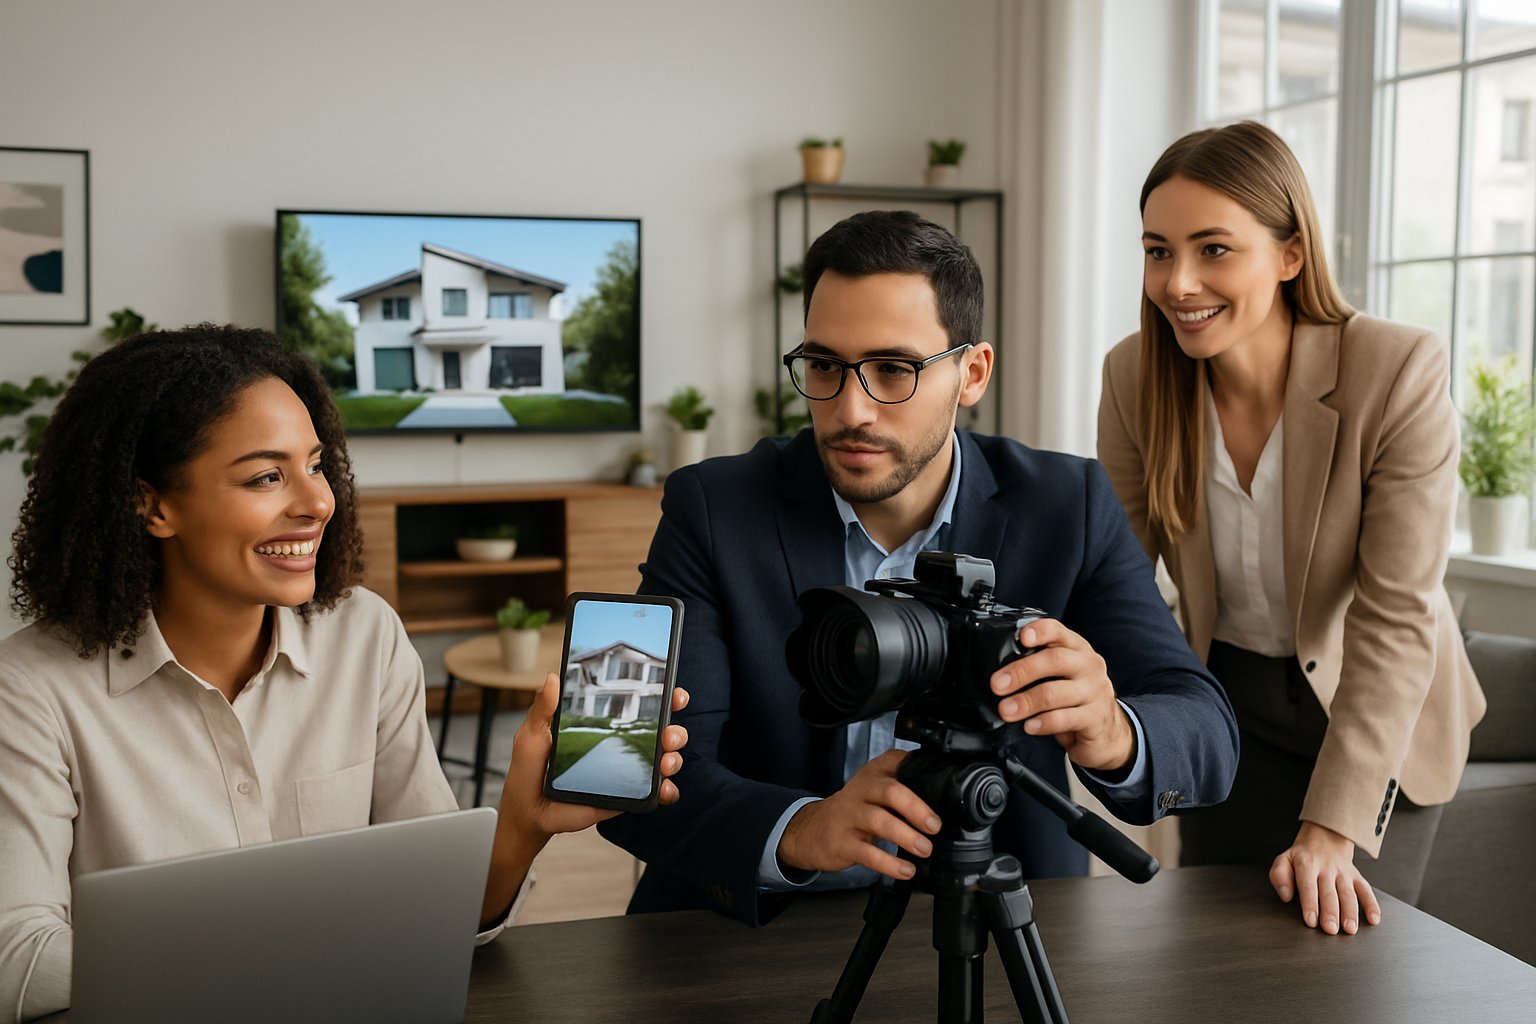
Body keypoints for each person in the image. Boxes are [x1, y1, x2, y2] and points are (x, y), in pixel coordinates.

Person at [0, 324, 688, 1022]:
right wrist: (294, 941)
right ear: (153, 505)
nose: (317, 502)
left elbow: (437, 916)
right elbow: (16, 962)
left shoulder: (365, 635)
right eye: (267, 476)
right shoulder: (30, 688)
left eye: (316, 465)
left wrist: (520, 824)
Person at [600, 210, 1238, 926]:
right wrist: (800, 830)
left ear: (973, 373)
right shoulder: (710, 506)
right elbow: (614, 769)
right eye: (824, 366)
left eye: (893, 370)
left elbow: (1205, 731)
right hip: (747, 936)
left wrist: (1113, 730)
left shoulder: (1069, 505)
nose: (852, 410)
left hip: (998, 933)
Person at [1097, 121, 1486, 938]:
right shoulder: (1134, 376)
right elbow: (1117, 579)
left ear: (1290, 254)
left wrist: (1331, 828)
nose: (1178, 282)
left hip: (1376, 705)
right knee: (1211, 958)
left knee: (1343, 966)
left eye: (1213, 249)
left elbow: (1396, 615)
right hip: (1227, 703)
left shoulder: (1397, 369)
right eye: (1159, 250)